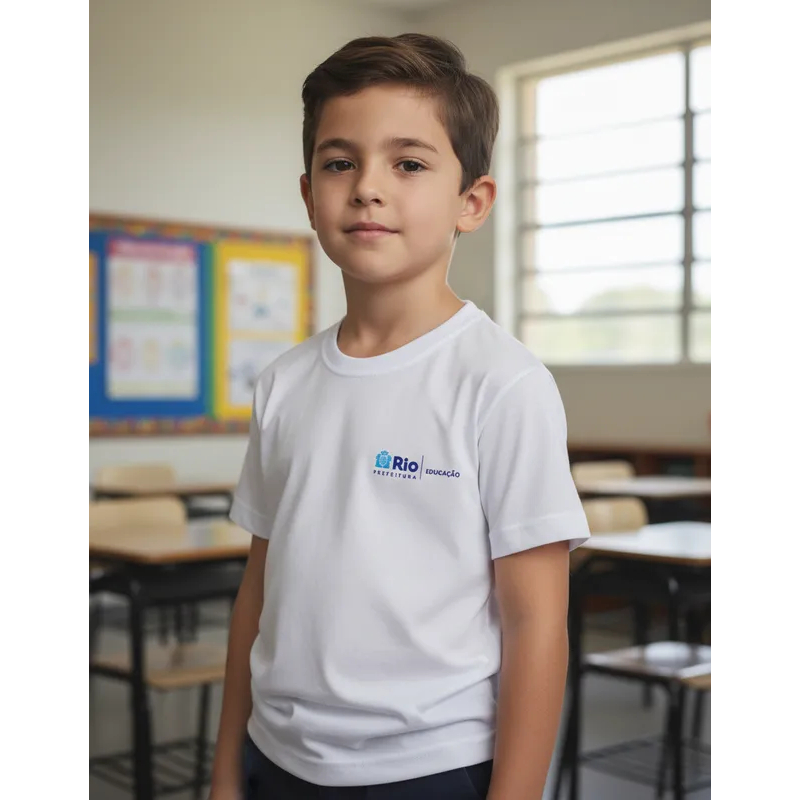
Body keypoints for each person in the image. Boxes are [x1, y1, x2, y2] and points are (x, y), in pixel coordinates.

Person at [209, 32, 590, 800]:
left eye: (408, 164)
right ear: (309, 194)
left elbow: (535, 625)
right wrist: (224, 771)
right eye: (339, 163)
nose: (367, 188)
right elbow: (258, 591)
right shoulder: (283, 383)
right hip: (275, 759)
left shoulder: (502, 383)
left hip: (430, 769)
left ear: (471, 202)